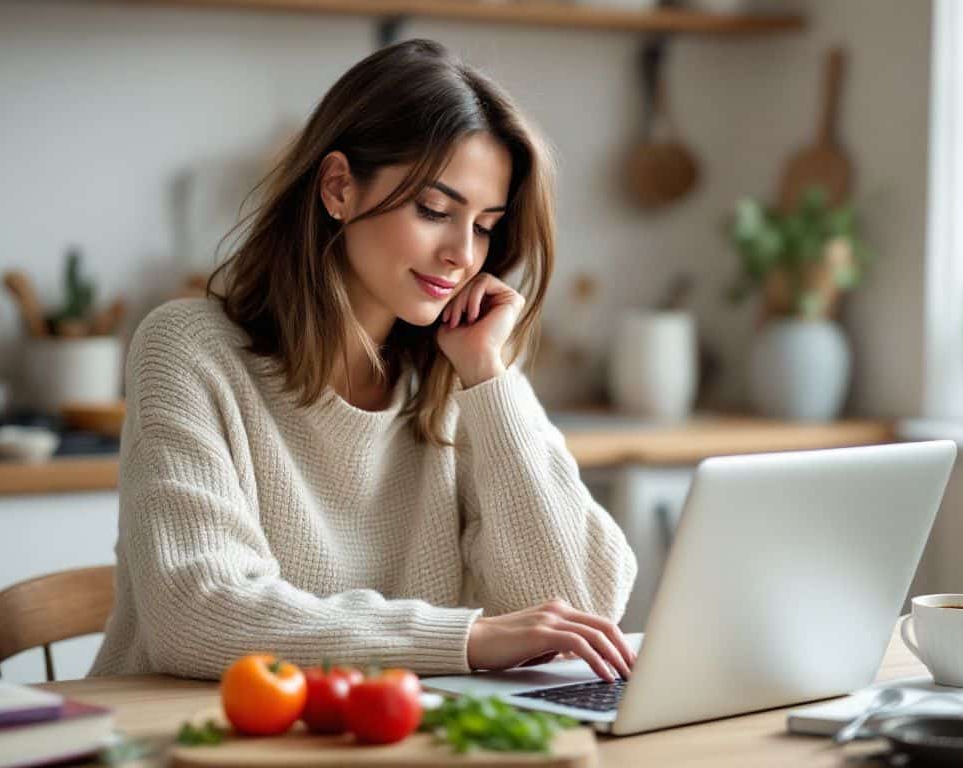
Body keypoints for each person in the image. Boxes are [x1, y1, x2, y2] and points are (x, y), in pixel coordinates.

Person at [89, 39, 638, 682]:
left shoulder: (465, 373)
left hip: (396, 739)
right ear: (339, 187)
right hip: (196, 736)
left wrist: (490, 379)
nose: (464, 253)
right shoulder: (187, 350)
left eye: (486, 225)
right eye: (435, 210)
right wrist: (466, 639)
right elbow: (197, 613)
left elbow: (581, 605)